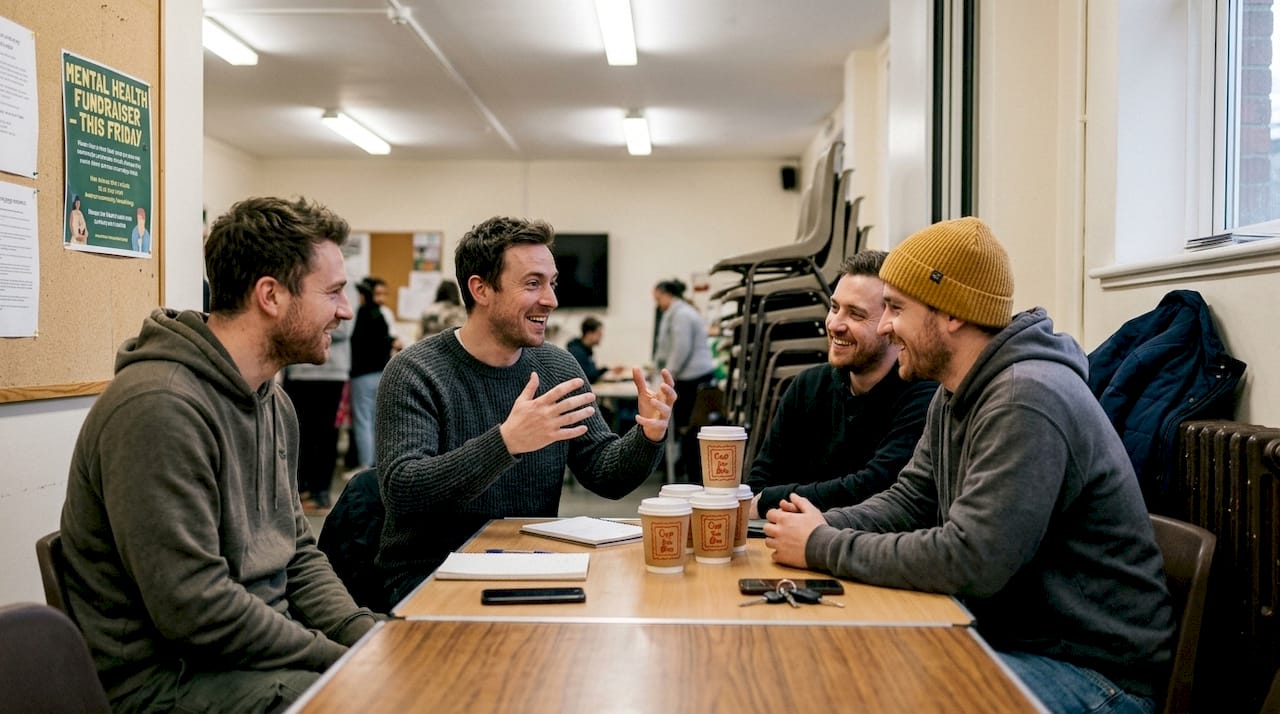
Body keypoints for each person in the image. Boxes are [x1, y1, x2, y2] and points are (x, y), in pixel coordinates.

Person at [764, 217, 1173, 714]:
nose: (887, 327)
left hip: (1092, 674)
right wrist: (816, 524)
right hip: (1017, 642)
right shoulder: (956, 391)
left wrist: (823, 545)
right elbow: (910, 499)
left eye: (895, 308)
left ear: (951, 314)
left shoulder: (1026, 398)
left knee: (878, 694)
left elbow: (973, 559)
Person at [59, 196, 381, 713]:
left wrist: (366, 636)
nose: (345, 310)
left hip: (251, 660)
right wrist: (336, 657)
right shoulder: (159, 407)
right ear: (271, 295)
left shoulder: (271, 397)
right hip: (168, 683)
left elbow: (296, 551)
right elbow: (196, 610)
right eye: (334, 292)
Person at [375, 216, 677, 605]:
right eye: (533, 284)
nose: (550, 299)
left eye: (551, 283)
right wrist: (506, 442)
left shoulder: (558, 367)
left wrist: (647, 434)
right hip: (430, 573)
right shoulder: (415, 371)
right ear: (481, 289)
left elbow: (605, 474)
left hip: (529, 565)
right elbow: (403, 490)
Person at [745, 251, 936, 519]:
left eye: (856, 314)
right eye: (834, 308)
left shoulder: (923, 395)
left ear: (891, 324)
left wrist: (774, 500)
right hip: (784, 543)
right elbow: (759, 482)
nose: (834, 324)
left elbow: (875, 487)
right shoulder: (806, 386)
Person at [282, 316, 353, 514]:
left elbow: (344, 329)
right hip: (299, 372)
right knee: (300, 432)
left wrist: (305, 325)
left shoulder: (346, 291)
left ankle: (320, 493)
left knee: (326, 434)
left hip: (331, 373)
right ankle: (303, 489)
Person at [653, 278, 716, 480]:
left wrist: (666, 377)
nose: (657, 303)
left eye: (658, 298)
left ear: (666, 295)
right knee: (687, 432)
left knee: (690, 431)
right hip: (690, 377)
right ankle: (689, 475)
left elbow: (681, 349)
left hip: (693, 380)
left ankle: (694, 478)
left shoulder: (681, 315)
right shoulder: (679, 313)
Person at [349, 276, 401, 468]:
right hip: (382, 372)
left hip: (362, 374)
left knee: (363, 421)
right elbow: (391, 340)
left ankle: (366, 466)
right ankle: (379, 464)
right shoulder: (381, 314)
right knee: (377, 421)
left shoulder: (358, 315)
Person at [566, 316, 624, 383]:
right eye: (599, 333)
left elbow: (592, 373)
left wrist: (608, 370)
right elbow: (589, 377)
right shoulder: (577, 352)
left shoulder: (586, 350)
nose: (601, 336)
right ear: (589, 334)